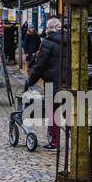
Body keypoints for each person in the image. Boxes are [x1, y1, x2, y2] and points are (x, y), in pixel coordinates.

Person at [26, 17, 65, 151]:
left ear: (49, 29)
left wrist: (30, 81)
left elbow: (40, 66)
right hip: (68, 82)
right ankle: (77, 140)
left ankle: (54, 141)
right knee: (67, 111)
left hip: (52, 83)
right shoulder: (70, 41)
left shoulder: (47, 43)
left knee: (53, 111)